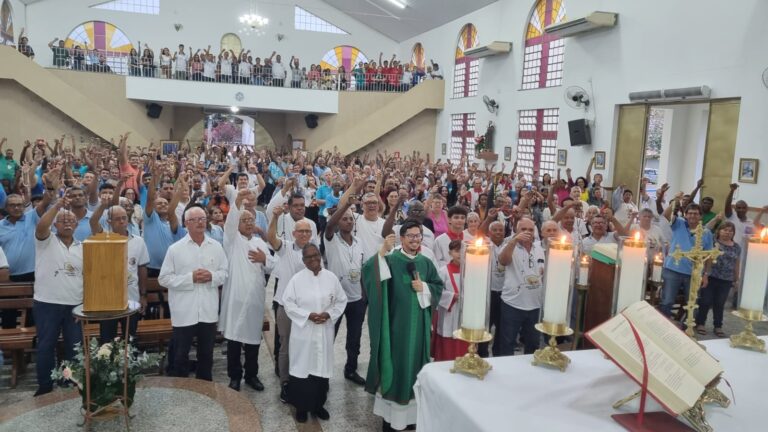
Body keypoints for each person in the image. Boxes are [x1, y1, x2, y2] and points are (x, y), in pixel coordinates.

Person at [363, 221, 443, 432]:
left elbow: (437, 286)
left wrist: (424, 287)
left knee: (415, 367)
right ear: (402, 237)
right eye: (411, 236)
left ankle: (410, 417)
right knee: (396, 366)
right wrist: (381, 251)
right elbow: (370, 273)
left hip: (419, 331)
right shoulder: (391, 260)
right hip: (396, 328)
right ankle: (391, 419)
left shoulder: (425, 263)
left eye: (418, 236)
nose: (415, 240)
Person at [158, 206, 229, 381]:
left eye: (203, 218)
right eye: (194, 219)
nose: (199, 222)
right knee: (180, 355)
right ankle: (182, 391)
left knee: (207, 354)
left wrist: (211, 276)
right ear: (185, 223)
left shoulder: (216, 246)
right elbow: (164, 279)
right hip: (184, 310)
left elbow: (225, 274)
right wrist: (191, 278)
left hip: (208, 310)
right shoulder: (175, 249)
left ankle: (205, 389)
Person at [283, 243, 347, 423]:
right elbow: (288, 304)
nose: (313, 260)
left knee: (320, 370)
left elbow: (341, 301)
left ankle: (319, 405)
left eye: (316, 255)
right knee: (302, 370)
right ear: (303, 261)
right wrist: (307, 315)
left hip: (324, 331)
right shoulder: (296, 280)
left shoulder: (331, 278)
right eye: (308, 257)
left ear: (320, 256)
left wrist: (329, 314)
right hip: (304, 333)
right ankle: (301, 408)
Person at [219, 190, 273, 392]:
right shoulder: (232, 241)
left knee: (253, 340)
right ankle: (234, 376)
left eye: (251, 219)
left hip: (255, 300)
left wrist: (264, 259)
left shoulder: (260, 243)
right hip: (236, 297)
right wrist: (238, 200)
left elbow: (271, 265)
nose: (249, 223)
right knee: (233, 340)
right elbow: (231, 221)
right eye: (245, 220)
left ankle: (252, 375)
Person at [33, 181, 83, 396]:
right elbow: (41, 226)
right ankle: (45, 385)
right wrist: (57, 206)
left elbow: (86, 278)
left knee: (73, 348)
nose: (67, 223)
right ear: (55, 225)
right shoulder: (46, 240)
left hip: (74, 304)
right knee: (46, 346)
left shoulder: (83, 248)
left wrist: (85, 305)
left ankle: (69, 382)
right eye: (62, 220)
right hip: (47, 302)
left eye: (71, 220)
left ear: (77, 225)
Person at [267, 205, 313, 401]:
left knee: (305, 344)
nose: (304, 234)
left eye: (307, 231)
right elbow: (271, 238)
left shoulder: (314, 251)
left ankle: (305, 379)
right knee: (285, 343)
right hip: (286, 306)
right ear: (294, 233)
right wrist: (275, 217)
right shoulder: (285, 247)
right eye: (300, 231)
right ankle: (285, 382)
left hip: (307, 307)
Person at [324, 186, 367, 385]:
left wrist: (364, 295)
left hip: (357, 298)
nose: (348, 221)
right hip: (336, 298)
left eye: (351, 218)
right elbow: (330, 225)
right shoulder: (331, 239)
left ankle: (351, 369)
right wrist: (347, 205)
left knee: (355, 338)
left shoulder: (359, 242)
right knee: (328, 336)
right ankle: (322, 372)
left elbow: (362, 267)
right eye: (344, 218)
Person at [90, 201, 149, 341]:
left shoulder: (139, 241)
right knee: (107, 341)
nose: (122, 221)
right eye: (117, 219)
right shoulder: (103, 238)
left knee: (131, 339)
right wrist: (103, 205)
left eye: (124, 217)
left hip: (132, 298)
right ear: (109, 221)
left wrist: (143, 295)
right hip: (108, 301)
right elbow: (93, 222)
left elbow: (142, 269)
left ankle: (131, 363)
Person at [496, 218, 545, 356]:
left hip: (534, 305)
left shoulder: (539, 248)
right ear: (516, 231)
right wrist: (514, 240)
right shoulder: (509, 244)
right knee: (507, 342)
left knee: (533, 343)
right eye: (523, 229)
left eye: (530, 229)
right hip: (513, 304)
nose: (527, 232)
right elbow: (503, 261)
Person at [660, 194, 714, 318]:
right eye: (689, 213)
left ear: (700, 216)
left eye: (695, 213)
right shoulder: (678, 223)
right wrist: (676, 200)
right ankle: (663, 326)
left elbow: (709, 255)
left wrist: (706, 275)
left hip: (694, 272)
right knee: (667, 301)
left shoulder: (706, 233)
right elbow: (666, 215)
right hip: (673, 269)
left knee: (692, 303)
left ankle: (686, 328)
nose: (692, 216)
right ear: (685, 214)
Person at [695, 220, 740, 338]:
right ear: (719, 231)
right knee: (705, 301)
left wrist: (736, 279)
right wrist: (705, 274)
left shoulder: (736, 247)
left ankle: (718, 326)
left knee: (720, 303)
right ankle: (700, 323)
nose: (727, 233)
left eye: (730, 231)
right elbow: (707, 259)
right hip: (710, 276)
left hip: (726, 279)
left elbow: (736, 263)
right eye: (725, 230)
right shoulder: (713, 242)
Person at [432, 239, 468, 361]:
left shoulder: (471, 269)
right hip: (449, 312)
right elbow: (436, 291)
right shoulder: (443, 271)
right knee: (448, 339)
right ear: (450, 253)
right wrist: (452, 296)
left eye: (463, 251)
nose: (460, 254)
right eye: (457, 251)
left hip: (465, 312)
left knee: (464, 339)